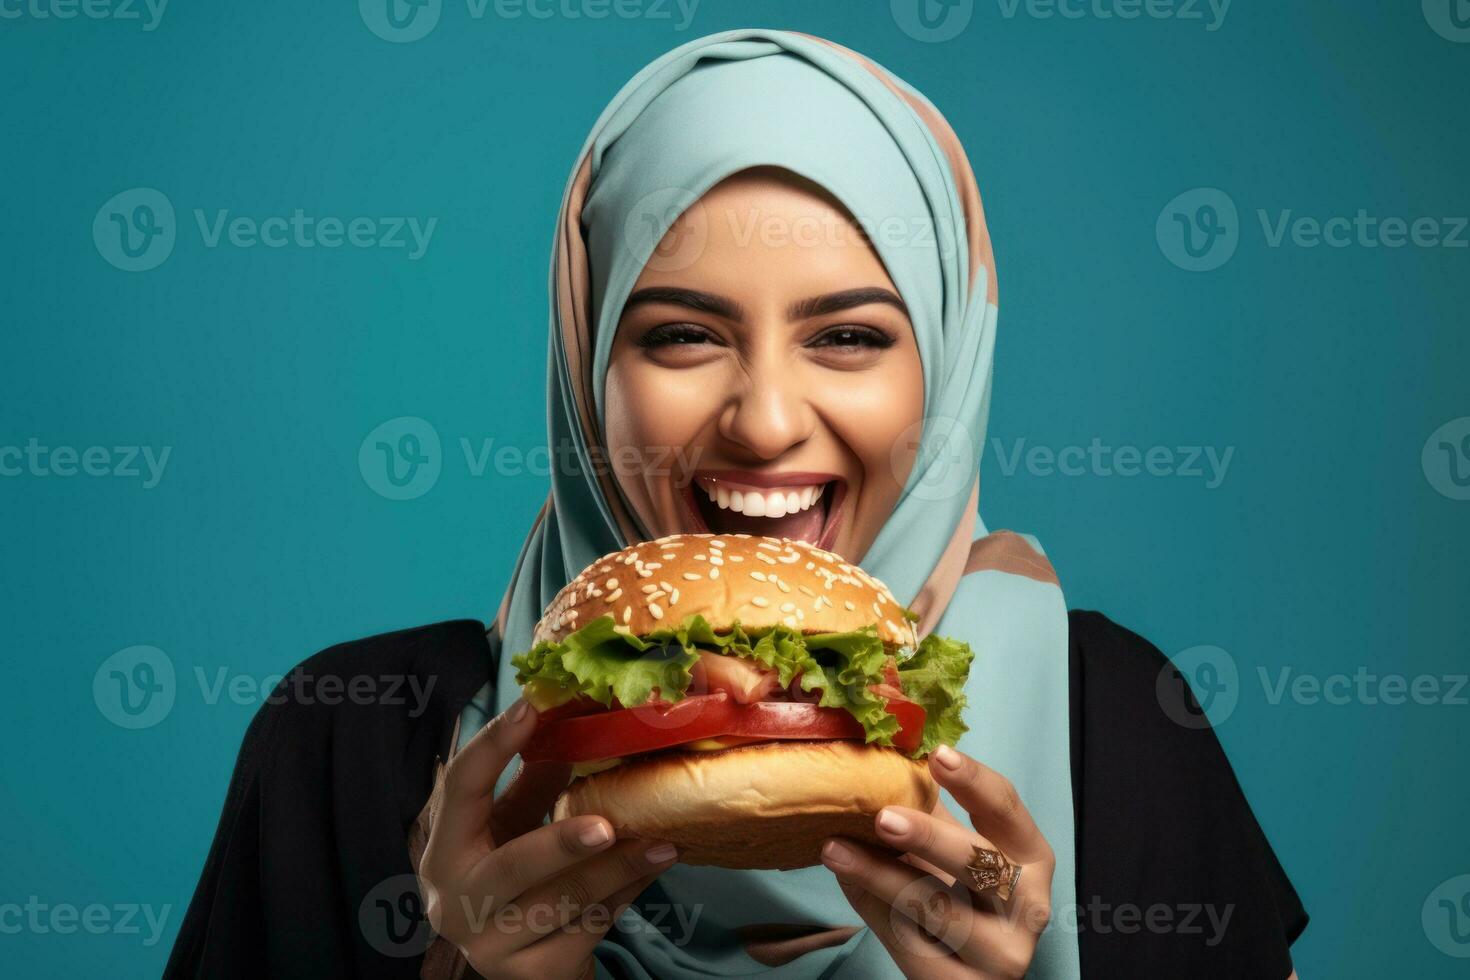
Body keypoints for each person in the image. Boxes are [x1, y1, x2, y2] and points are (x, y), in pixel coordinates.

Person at [165, 29, 1306, 980]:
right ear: (584, 363)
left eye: (849, 335)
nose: (764, 421)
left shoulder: (1117, 721)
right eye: (681, 335)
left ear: (949, 368)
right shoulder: (347, 741)